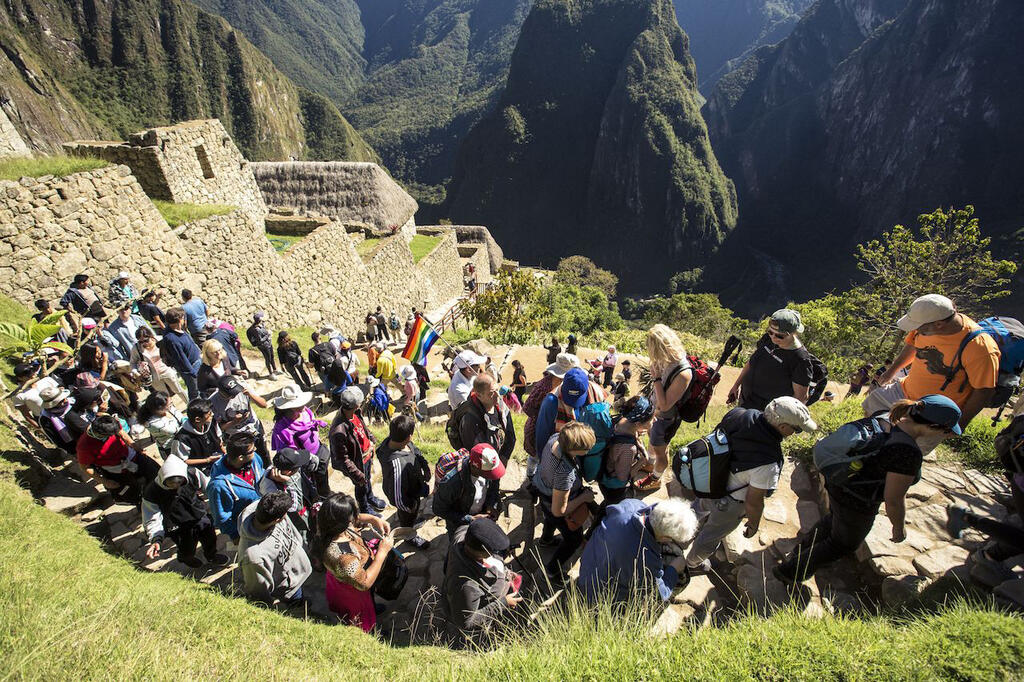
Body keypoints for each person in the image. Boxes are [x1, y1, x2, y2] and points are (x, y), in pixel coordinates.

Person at [774, 396, 961, 584]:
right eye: (946, 432)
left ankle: (801, 550)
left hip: (840, 481)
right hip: (859, 501)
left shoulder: (887, 416)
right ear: (935, 427)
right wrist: (898, 527)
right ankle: (789, 572)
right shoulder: (906, 452)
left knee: (833, 520)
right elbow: (894, 499)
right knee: (842, 544)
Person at [684, 397, 816, 573]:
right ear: (783, 427)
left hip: (710, 481)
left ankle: (676, 537)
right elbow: (754, 501)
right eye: (796, 429)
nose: (795, 432)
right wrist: (753, 524)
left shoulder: (739, 414)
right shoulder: (769, 462)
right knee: (710, 536)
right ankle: (692, 564)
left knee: (696, 510)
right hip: (729, 504)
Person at [862, 294, 999, 444]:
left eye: (918, 327)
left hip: (933, 412)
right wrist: (892, 371)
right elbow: (913, 345)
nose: (915, 330)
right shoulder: (926, 324)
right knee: (871, 409)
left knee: (903, 450)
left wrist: (959, 425)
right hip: (904, 389)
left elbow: (984, 391)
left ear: (939, 324)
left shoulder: (980, 348)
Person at [578, 498, 698, 605]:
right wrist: (673, 569)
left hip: (588, 570)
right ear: (665, 538)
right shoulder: (647, 560)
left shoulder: (631, 505)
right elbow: (661, 593)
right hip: (598, 598)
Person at [309, 493, 393, 632]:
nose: (355, 519)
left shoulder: (328, 526)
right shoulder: (344, 557)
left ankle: (372, 607)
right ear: (344, 522)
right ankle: (371, 632)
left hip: (340, 583)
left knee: (368, 605)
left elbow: (356, 519)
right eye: (351, 517)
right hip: (353, 594)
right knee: (362, 620)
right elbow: (364, 583)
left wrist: (373, 519)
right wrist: (382, 553)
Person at [533, 422, 598, 583]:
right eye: (586, 449)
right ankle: (552, 571)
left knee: (548, 517)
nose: (588, 451)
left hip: (543, 489)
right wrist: (585, 497)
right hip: (554, 501)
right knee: (573, 539)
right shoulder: (564, 472)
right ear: (574, 450)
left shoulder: (555, 439)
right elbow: (558, 511)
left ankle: (546, 540)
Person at [443, 517, 522, 644]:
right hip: (483, 612)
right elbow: (467, 622)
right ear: (484, 552)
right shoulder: (465, 585)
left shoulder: (463, 533)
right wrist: (502, 604)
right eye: (493, 551)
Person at [142, 456, 228, 567]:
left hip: (200, 516)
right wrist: (156, 539)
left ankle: (212, 556)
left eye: (179, 482)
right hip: (178, 527)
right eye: (171, 483)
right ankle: (186, 559)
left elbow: (209, 486)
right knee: (186, 549)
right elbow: (151, 518)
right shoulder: (151, 492)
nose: (175, 486)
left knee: (210, 539)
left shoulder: (192, 474)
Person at [728, 309, 814, 410]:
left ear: (793, 333)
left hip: (766, 413)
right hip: (746, 400)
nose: (773, 337)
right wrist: (736, 385)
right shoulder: (767, 339)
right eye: (770, 332)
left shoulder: (800, 359)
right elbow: (752, 361)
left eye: (779, 336)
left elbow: (800, 398)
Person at [237, 491, 312, 605]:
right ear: (278, 520)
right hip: (290, 588)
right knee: (298, 603)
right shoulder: (253, 558)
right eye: (285, 514)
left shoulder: (266, 509)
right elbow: (259, 592)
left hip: (299, 567)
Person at [377, 414, 431, 548]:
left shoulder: (397, 440)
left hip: (414, 485)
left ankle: (409, 520)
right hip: (408, 496)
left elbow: (416, 451)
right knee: (407, 517)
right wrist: (409, 506)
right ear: (409, 436)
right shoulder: (396, 465)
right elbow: (397, 497)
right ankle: (409, 535)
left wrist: (424, 466)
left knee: (409, 514)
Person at [77, 414, 159, 503]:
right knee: (134, 493)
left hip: (130, 455)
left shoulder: (109, 422)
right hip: (115, 470)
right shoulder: (84, 446)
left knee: (156, 472)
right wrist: (105, 481)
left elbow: (123, 434)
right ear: (101, 434)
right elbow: (85, 467)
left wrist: (137, 448)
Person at [329, 387, 386, 515]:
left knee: (367, 479)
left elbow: (363, 428)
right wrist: (357, 474)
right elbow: (343, 459)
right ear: (356, 405)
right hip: (356, 463)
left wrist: (371, 438)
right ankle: (364, 507)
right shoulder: (338, 431)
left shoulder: (355, 413)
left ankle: (370, 498)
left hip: (365, 456)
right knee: (361, 485)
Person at [271, 384, 330, 498]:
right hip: (306, 461)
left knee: (323, 478)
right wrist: (308, 458)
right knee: (312, 485)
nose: (304, 405)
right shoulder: (282, 429)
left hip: (319, 451)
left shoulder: (305, 411)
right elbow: (287, 455)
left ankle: (325, 493)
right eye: (299, 404)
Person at [433, 443, 505, 536]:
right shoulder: (452, 483)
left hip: (481, 514)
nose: (492, 475)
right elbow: (438, 509)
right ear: (474, 467)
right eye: (489, 473)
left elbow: (494, 487)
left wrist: (490, 506)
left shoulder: (489, 467)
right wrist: (470, 519)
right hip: (458, 522)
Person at [206, 432, 266, 543]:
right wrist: (236, 536)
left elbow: (262, 473)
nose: (256, 450)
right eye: (252, 450)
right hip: (245, 526)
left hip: (260, 515)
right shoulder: (219, 486)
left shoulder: (254, 459)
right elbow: (222, 518)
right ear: (240, 458)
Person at [523, 353, 575, 478]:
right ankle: (531, 476)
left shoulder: (566, 386)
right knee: (535, 455)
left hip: (555, 428)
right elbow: (528, 408)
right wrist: (544, 413)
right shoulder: (543, 387)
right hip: (537, 427)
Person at [601, 396, 655, 508]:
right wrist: (643, 460)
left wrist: (637, 434)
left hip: (605, 471)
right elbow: (622, 478)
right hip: (615, 489)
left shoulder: (623, 420)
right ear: (638, 424)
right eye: (651, 419)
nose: (655, 420)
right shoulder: (628, 449)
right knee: (613, 507)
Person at [455, 373, 517, 469]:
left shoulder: (500, 405)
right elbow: (474, 453)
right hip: (483, 467)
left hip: (498, 460)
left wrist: (504, 457)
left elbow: (511, 435)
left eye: (497, 389)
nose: (498, 395)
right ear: (479, 395)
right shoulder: (470, 419)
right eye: (492, 393)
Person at [210, 374, 269, 465]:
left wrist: (250, 395)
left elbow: (264, 405)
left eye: (235, 391)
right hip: (236, 435)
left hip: (254, 427)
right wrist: (234, 421)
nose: (235, 394)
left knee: (263, 453)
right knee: (246, 459)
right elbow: (220, 428)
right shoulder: (213, 402)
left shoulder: (243, 388)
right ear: (221, 392)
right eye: (231, 394)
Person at [259, 447, 318, 536]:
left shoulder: (280, 466)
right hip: (296, 519)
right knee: (305, 535)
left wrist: (313, 458)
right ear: (288, 472)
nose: (300, 468)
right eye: (298, 467)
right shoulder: (270, 490)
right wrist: (288, 483)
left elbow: (306, 456)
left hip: (307, 507)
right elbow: (294, 507)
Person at [130, 327, 187, 403]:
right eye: (140, 342)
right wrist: (136, 373)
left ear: (151, 336)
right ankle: (175, 413)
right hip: (154, 377)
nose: (144, 343)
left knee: (178, 389)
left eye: (146, 340)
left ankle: (189, 403)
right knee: (164, 397)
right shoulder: (136, 348)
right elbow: (132, 363)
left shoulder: (160, 340)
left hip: (166, 370)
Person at [169, 398, 225, 473]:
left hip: (218, 462)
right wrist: (207, 460)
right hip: (201, 471)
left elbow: (219, 440)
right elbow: (182, 461)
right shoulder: (182, 438)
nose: (212, 414)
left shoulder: (211, 422)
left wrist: (225, 453)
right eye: (209, 414)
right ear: (198, 419)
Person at [161, 307, 202, 400]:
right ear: (179, 320)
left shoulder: (179, 329)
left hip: (196, 362)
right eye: (183, 318)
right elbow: (181, 358)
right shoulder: (172, 339)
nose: (184, 320)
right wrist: (192, 373)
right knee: (194, 392)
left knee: (202, 387)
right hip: (191, 368)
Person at [38, 385, 87, 457]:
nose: (65, 400)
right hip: (75, 445)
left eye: (64, 398)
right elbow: (57, 439)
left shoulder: (73, 403)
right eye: (60, 401)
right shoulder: (46, 419)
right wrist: (74, 451)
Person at [11, 363, 60, 430]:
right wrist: (39, 427)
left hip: (63, 411)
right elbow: (26, 414)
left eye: (33, 373)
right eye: (28, 375)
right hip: (47, 420)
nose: (33, 376)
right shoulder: (19, 395)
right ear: (20, 378)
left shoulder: (47, 380)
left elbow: (61, 391)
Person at [136, 391, 184, 458]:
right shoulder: (153, 423)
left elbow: (180, 416)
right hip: (172, 448)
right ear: (160, 408)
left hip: (181, 440)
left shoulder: (164, 406)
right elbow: (176, 431)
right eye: (170, 404)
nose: (172, 405)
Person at [246, 312, 279, 377]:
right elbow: (260, 340)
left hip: (268, 344)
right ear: (259, 319)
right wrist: (268, 335)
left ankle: (275, 370)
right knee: (268, 359)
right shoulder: (256, 329)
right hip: (264, 346)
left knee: (272, 356)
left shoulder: (260, 325)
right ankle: (270, 373)